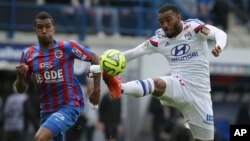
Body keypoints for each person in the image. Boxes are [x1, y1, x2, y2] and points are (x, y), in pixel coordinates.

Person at [90, 3, 227, 141]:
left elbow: (220, 33)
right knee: (157, 84)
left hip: (200, 95)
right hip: (179, 84)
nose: (165, 25)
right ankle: (119, 87)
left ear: (179, 17)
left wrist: (219, 45)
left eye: (168, 20)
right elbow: (132, 54)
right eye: (161, 22)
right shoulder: (159, 39)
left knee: (205, 139)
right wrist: (99, 68)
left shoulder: (194, 28)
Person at [14, 11, 101, 141]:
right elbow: (21, 89)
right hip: (46, 112)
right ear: (35, 30)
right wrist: (20, 77)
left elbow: (94, 58)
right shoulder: (28, 54)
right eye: (40, 27)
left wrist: (97, 89)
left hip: (68, 106)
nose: (44, 31)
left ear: (53, 28)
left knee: (40, 138)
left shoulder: (66, 47)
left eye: (48, 26)